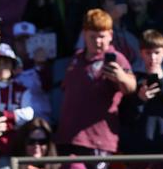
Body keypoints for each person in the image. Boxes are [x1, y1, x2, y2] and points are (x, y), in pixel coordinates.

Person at [55, 9, 136, 156]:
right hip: (68, 137)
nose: (98, 42)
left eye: (102, 37)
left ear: (110, 35)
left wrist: (121, 76)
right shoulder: (76, 58)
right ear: (84, 35)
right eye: (93, 37)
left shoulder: (116, 58)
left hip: (97, 140)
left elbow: (131, 87)